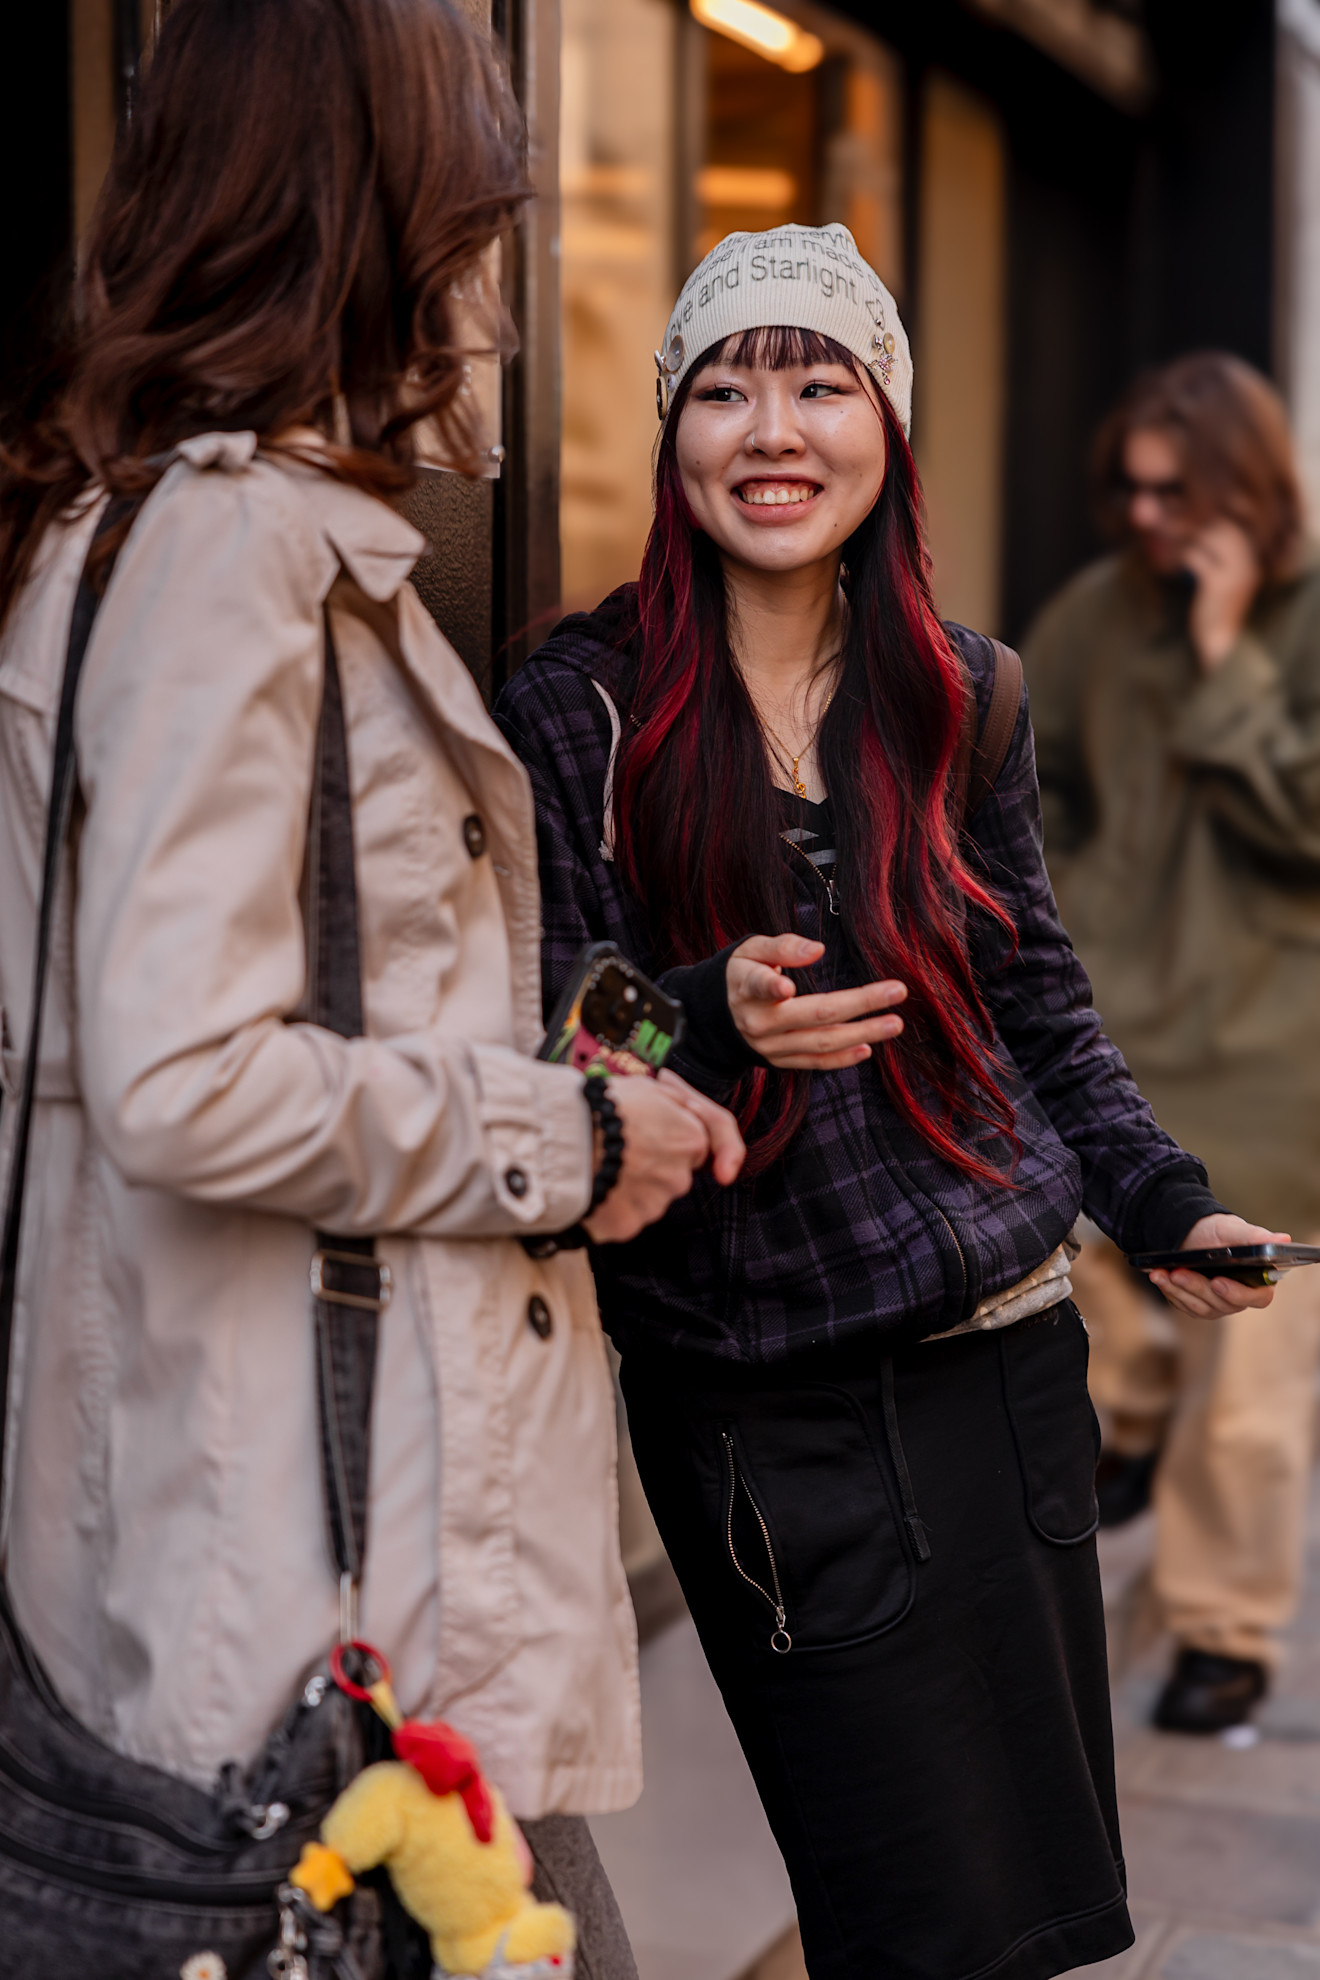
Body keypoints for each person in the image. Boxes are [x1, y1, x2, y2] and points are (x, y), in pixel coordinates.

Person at [0, 1, 743, 1969]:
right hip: (309, 1600)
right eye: (479, 207)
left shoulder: (166, 538)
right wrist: (563, 1132)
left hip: (295, 1558)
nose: (501, 280)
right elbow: (182, 1077)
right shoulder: (230, 558)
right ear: (383, 218)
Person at [494, 225, 1289, 1980]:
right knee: (904, 1916)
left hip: (1006, 1373)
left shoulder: (959, 690)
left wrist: (1160, 1201)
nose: (769, 430)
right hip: (764, 1411)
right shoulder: (581, 705)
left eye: (817, 380)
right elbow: (542, 1038)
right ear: (672, 431)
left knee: (1027, 1924)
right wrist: (709, 1018)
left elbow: (1037, 1009)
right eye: (724, 387)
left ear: (889, 427)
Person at [1022, 351, 1320, 1735]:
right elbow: (1031, 793)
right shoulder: (1090, 614)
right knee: (1079, 1293)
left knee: (1249, 1394)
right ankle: (1126, 1425)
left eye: (1173, 491)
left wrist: (1227, 654)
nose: (1143, 516)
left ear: (1244, 488)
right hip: (1115, 1045)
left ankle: (1222, 1628)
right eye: (1128, 489)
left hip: (1275, 1062)